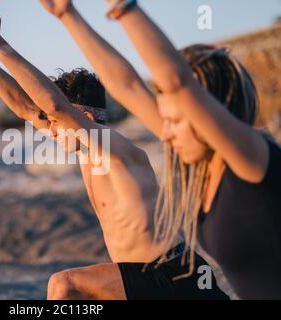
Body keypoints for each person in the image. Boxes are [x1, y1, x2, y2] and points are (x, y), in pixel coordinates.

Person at [0, 0, 228, 300]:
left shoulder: (113, 147)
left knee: (64, 286)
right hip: (143, 281)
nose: (50, 129)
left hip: (173, 276)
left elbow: (55, 106)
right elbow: (26, 109)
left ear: (85, 118)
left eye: (57, 122)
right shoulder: (83, 146)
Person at [40, 0, 281, 299]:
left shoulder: (252, 160)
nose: (164, 132)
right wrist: (67, 15)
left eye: (176, 120)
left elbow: (176, 82)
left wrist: (124, 8)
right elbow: (128, 86)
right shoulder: (201, 166)